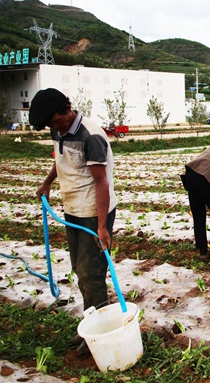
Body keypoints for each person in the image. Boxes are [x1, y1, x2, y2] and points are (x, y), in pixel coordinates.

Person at [31, 88, 118, 354]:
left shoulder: (90, 136)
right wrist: (47, 183)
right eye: (49, 124)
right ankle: (92, 323)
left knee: (91, 274)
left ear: (67, 108)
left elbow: (101, 182)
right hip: (73, 209)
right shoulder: (59, 129)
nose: (53, 127)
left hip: (94, 212)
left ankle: (101, 335)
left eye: (55, 121)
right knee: (80, 271)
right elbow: (61, 159)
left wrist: (102, 226)